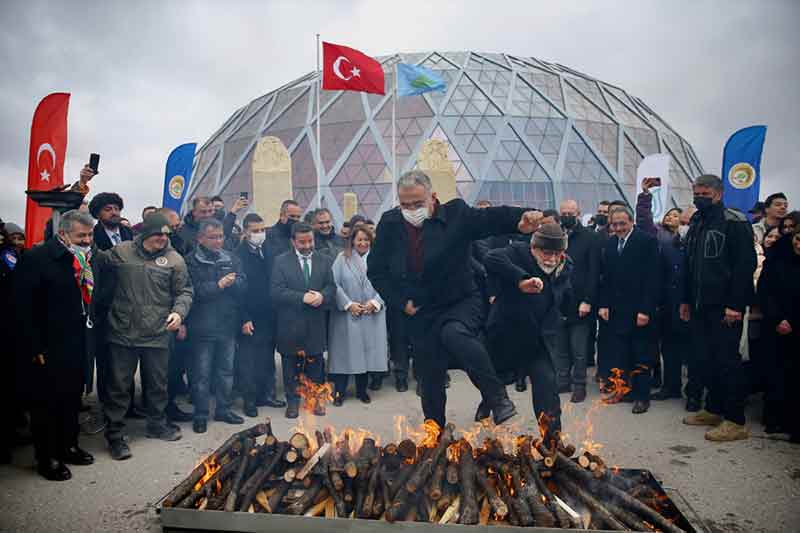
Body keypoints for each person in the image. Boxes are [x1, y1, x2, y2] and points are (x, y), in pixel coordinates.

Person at [368, 170, 542, 427]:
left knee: (455, 334)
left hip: (459, 299)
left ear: (433, 197)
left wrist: (521, 218)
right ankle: (434, 430)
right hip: (419, 309)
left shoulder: (456, 214)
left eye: (417, 203)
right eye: (405, 204)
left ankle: (497, 398)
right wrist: (400, 301)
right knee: (430, 375)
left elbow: (489, 218)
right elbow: (377, 270)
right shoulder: (390, 223)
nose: (411, 210)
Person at [96, 214, 193, 460]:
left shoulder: (175, 260)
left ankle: (157, 424)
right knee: (118, 387)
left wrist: (179, 313)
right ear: (144, 234)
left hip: (157, 332)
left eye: (166, 234)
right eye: (157, 234)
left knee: (157, 385)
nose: (162, 239)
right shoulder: (121, 252)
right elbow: (95, 261)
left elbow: (184, 292)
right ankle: (115, 436)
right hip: (122, 331)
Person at [13, 210, 96, 480]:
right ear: (63, 234)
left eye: (89, 234)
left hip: (77, 340)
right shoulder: (37, 258)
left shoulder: (86, 259)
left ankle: (68, 446)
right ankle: (46, 456)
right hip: (47, 344)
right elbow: (22, 307)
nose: (86, 240)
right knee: (46, 403)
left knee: (72, 399)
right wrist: (34, 346)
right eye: (80, 235)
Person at [681, 174, 756, 442]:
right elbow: (689, 266)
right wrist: (686, 301)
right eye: (696, 193)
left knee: (727, 361)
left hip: (725, 306)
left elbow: (744, 266)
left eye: (704, 193)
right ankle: (713, 409)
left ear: (718, 193)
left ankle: (735, 420)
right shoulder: (697, 222)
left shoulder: (734, 222)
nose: (699, 197)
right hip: (700, 305)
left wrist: (735, 305)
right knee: (704, 359)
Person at [485, 223, 571, 442]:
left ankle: (552, 441)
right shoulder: (517, 252)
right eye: (546, 253)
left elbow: (561, 296)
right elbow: (491, 258)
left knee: (547, 384)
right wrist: (520, 278)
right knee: (496, 379)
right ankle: (487, 404)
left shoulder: (566, 266)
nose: (551, 259)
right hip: (507, 332)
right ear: (533, 248)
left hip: (538, 339)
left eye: (557, 253)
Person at [185, 219, 248, 433]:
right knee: (201, 375)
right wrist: (219, 285)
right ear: (200, 238)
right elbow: (193, 292)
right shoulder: (191, 260)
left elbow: (243, 285)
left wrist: (234, 283)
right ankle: (201, 414)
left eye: (220, 236)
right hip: (202, 326)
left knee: (226, 372)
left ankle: (223, 409)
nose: (218, 241)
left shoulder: (231, 257)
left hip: (227, 325)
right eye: (213, 237)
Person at [598, 206, 660, 414]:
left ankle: (642, 396)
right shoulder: (609, 243)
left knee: (641, 354)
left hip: (639, 309)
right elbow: (605, 278)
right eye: (614, 224)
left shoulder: (647, 241)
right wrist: (604, 304)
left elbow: (653, 279)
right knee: (621, 354)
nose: (618, 228)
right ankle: (625, 391)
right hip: (616, 310)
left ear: (631, 222)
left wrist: (645, 310)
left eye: (622, 223)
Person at [271, 222, 336, 419]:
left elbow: (331, 287)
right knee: (290, 366)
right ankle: (293, 402)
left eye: (310, 241)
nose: (307, 246)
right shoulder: (280, 262)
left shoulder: (324, 260)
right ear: (293, 241)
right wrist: (302, 297)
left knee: (316, 364)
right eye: (302, 242)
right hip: (290, 324)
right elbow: (276, 291)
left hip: (315, 323)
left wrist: (322, 296)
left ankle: (317, 400)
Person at [635, 179, 688, 402]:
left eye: (675, 215)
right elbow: (644, 220)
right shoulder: (658, 235)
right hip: (661, 298)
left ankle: (675, 385)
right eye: (668, 215)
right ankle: (661, 382)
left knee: (674, 346)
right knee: (658, 344)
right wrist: (645, 196)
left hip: (681, 299)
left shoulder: (688, 239)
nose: (670, 218)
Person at [328, 226, 388, 405]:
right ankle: (339, 392)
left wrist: (375, 302)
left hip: (370, 313)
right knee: (343, 354)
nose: (363, 243)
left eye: (366, 239)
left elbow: (389, 284)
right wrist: (348, 304)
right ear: (352, 241)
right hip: (347, 313)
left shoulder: (380, 259)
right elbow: (334, 283)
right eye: (359, 239)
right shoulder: (342, 258)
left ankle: (362, 391)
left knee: (366, 353)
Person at [234, 213, 286, 416]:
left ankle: (267, 394)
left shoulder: (269, 250)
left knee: (266, 358)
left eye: (262, 230)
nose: (259, 234)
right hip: (249, 316)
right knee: (248, 361)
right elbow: (237, 292)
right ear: (246, 232)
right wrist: (244, 318)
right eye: (255, 231)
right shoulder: (238, 255)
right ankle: (250, 400)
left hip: (269, 315)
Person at [553, 199, 600, 403]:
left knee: (579, 347)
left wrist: (588, 300)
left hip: (579, 300)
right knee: (560, 345)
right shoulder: (555, 236)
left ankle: (579, 384)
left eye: (570, 212)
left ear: (578, 213)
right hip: (557, 300)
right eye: (563, 212)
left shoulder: (590, 237)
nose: (567, 216)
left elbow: (594, 272)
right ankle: (563, 380)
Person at [757, 228, 800, 444]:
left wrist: (793, 321)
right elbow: (765, 291)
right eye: (798, 239)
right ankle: (773, 419)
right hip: (775, 327)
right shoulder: (776, 261)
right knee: (774, 374)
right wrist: (778, 319)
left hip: (796, 329)